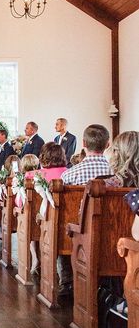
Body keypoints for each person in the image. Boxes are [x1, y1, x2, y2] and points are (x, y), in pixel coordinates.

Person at [58, 124, 111, 296]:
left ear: (83, 143)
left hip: (77, 232)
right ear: (108, 144)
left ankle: (68, 282)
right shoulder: (116, 172)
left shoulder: (69, 175)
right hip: (110, 232)